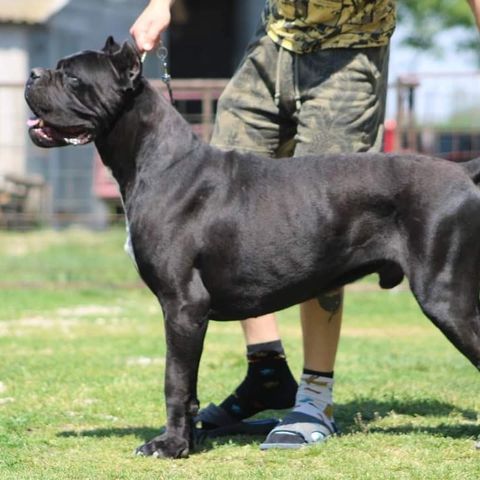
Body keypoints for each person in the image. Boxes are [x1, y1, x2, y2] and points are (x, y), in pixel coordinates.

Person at [131, 0, 480, 449]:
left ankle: (315, 398)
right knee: (225, 204)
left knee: (324, 218)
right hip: (274, 41)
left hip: (351, 50)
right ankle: (267, 372)